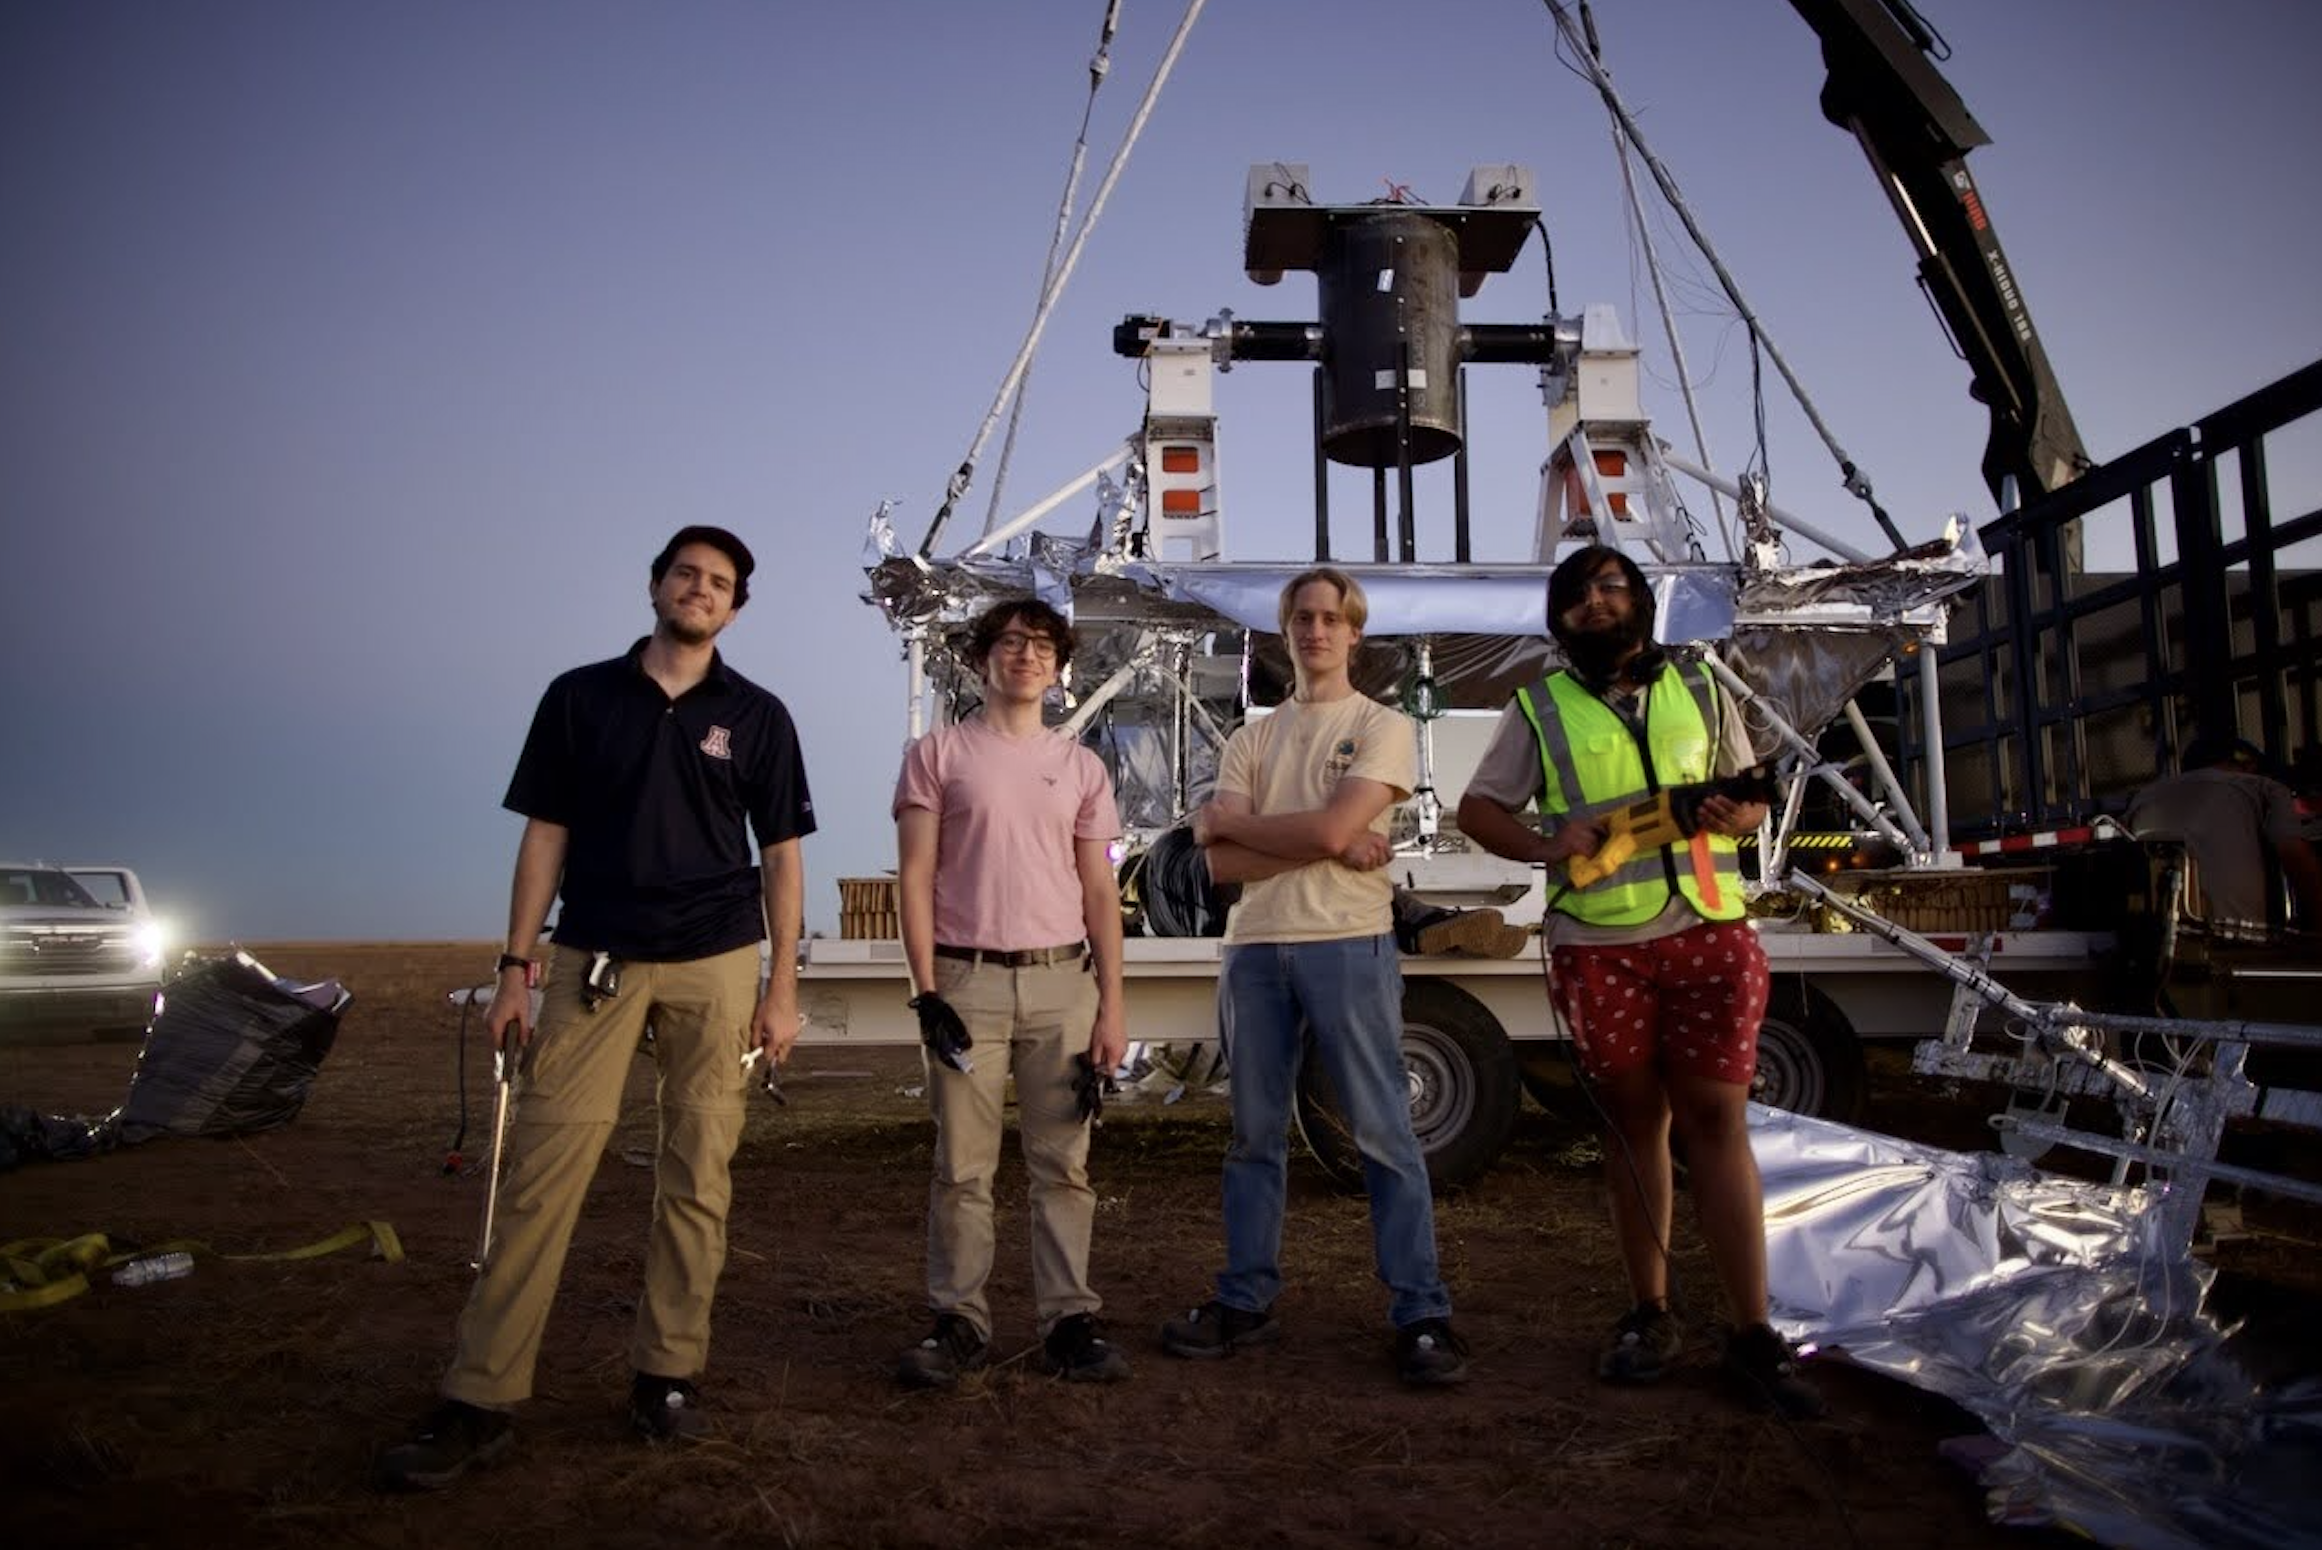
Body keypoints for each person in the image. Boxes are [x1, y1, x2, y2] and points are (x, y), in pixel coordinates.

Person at [378, 525, 814, 1490]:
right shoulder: (580, 698)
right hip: (595, 959)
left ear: (736, 608)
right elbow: (546, 835)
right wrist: (513, 967)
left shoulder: (758, 716)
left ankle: (666, 1377)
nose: (701, 591)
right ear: (656, 585)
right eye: (687, 575)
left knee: (698, 1177)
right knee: (542, 1171)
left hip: (716, 961)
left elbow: (782, 854)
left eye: (720, 584)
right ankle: (480, 1396)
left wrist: (782, 987)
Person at [1455, 543, 1821, 1418]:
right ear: (1559, 618)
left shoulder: (1702, 687)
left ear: (1641, 603)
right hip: (1600, 947)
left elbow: (1751, 793)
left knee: (1718, 1123)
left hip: (1708, 931)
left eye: (1610, 586)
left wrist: (1745, 809)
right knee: (1634, 1128)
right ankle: (1649, 1314)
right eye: (1577, 594)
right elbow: (1479, 808)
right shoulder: (1538, 707)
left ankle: (1752, 1333)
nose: (1595, 602)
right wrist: (1551, 844)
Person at [1161, 566, 1470, 1387]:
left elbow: (1310, 827)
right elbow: (1220, 862)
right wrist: (1325, 838)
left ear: (1354, 634)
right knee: (1253, 1136)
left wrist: (1277, 829)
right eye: (1303, 616)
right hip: (1254, 947)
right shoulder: (1249, 738)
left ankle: (1422, 1312)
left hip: (1348, 941)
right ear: (1284, 631)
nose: (1316, 630)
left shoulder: (1382, 727)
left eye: (1333, 618)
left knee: (1381, 1133)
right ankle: (1246, 1299)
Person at [890, 599, 1133, 1387]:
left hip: (1063, 985)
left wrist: (1112, 1007)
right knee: (961, 1167)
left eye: (1040, 645)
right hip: (966, 983)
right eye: (1009, 642)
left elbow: (1100, 892)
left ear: (1060, 669)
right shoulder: (938, 754)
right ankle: (958, 1321)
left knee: (1064, 1165)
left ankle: (1068, 1320)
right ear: (981, 660)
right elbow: (916, 878)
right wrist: (927, 992)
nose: (1025, 655)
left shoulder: (1084, 767)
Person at [2128, 734, 2321, 941]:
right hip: (2236, 941)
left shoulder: (2144, 795)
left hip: (2154, 941)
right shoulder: (2263, 787)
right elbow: (2296, 858)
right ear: (2248, 765)